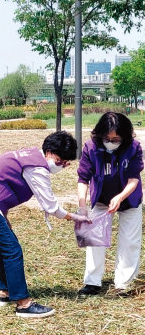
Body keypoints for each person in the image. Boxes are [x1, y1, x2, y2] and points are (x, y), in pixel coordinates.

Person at [0, 131, 89, 318]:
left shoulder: (30, 155)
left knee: (8, 245)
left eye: (66, 163)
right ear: (48, 152)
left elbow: (0, 180)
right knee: (12, 250)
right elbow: (51, 206)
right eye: (60, 160)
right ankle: (23, 304)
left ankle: (3, 292)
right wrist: (75, 217)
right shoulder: (36, 167)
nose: (61, 165)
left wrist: (3, 216)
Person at [76, 112, 143, 296]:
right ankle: (92, 281)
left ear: (125, 137)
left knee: (129, 240)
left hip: (129, 199)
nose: (111, 142)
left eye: (116, 139)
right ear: (99, 135)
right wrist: (82, 206)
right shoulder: (90, 147)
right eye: (107, 138)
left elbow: (133, 179)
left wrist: (120, 197)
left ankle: (123, 282)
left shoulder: (134, 148)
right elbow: (83, 179)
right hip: (101, 199)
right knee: (94, 239)